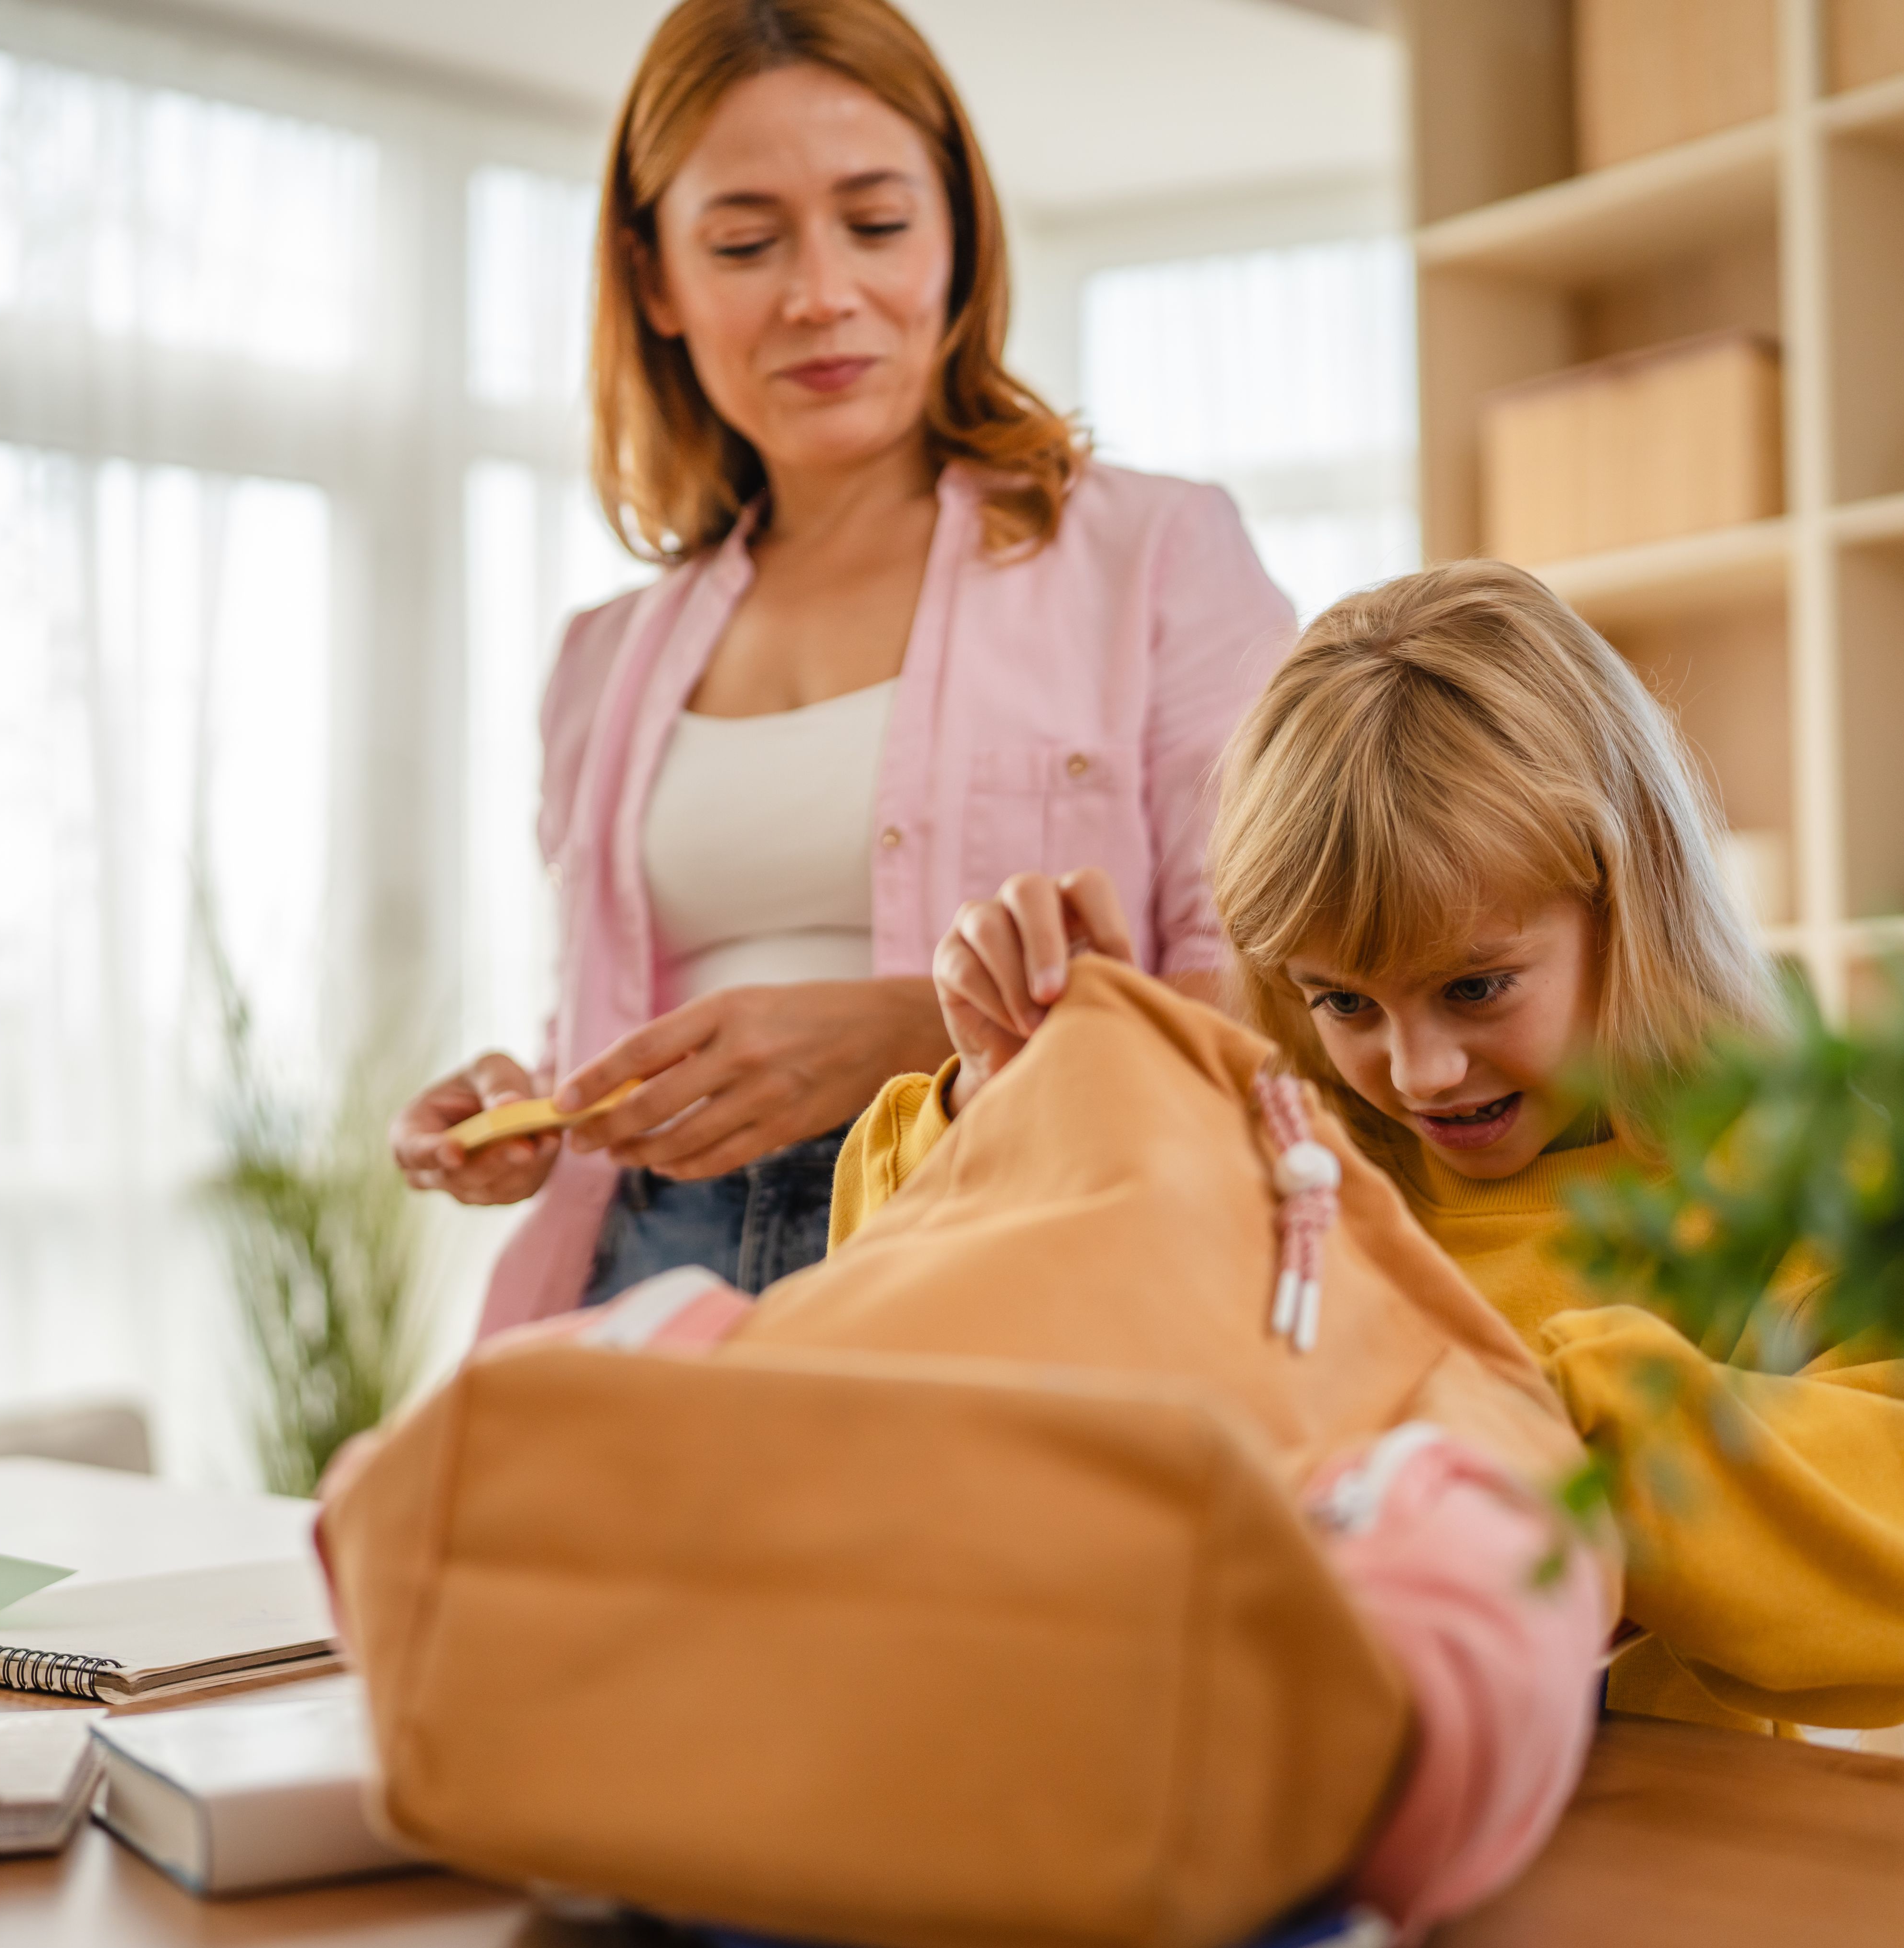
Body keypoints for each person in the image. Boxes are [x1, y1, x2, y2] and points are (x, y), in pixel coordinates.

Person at [835, 558, 1904, 1739]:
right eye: (1344, 1003)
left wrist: (1563, 1428)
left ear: (1624, 900)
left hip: (1662, 1873)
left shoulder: (1806, 1174)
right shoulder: (1274, 1155)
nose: (1418, 1071)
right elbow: (893, 1398)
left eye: (1476, 988)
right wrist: (1019, 1109)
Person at [392, 0, 1292, 1330]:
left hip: (996, 1249)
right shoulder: (601, 662)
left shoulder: (1157, 557)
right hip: (649, 1267)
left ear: (959, 236)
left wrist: (910, 1035)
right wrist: (530, 1104)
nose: (822, 296)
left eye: (877, 224)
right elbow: (602, 1012)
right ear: (656, 281)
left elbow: (1278, 1004)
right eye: (747, 243)